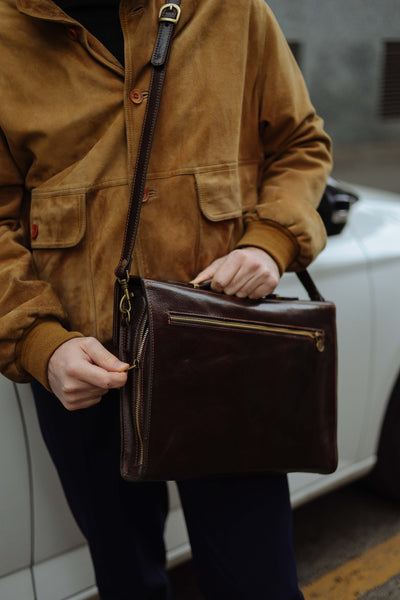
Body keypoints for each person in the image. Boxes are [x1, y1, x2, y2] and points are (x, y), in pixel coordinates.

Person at [0, 0, 331, 598]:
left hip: (224, 352)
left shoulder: (232, 10)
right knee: (128, 580)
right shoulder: (8, 32)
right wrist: (38, 342)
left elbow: (299, 145)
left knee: (259, 581)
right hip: (80, 372)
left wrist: (270, 242)